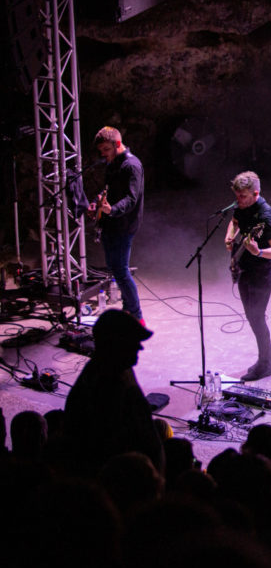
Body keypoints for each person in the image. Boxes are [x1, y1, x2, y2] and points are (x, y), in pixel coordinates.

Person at [63, 309, 165, 476]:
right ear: (115, 344)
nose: (140, 347)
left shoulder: (119, 367)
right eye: (133, 342)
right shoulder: (104, 387)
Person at [224, 171, 271, 381]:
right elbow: (235, 221)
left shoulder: (267, 216)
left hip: (261, 275)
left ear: (255, 193)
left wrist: (258, 252)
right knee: (253, 317)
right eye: (237, 196)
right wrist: (230, 235)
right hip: (244, 271)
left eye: (243, 197)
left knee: (256, 317)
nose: (238, 201)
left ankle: (265, 364)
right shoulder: (242, 208)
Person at [89, 126, 144, 322]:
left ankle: (136, 316)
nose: (103, 155)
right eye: (101, 151)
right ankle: (129, 310)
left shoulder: (132, 166)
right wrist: (97, 202)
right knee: (115, 268)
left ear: (117, 144)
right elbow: (108, 192)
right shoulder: (112, 165)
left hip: (124, 225)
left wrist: (112, 210)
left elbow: (131, 198)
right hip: (111, 224)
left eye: (106, 149)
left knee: (121, 270)